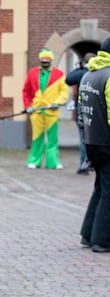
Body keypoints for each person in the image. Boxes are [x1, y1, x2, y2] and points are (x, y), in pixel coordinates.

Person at [79, 37, 110, 253]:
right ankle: (102, 239)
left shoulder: (88, 75)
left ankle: (88, 233)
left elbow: (82, 111)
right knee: (109, 191)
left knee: (100, 187)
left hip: (92, 141)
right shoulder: (109, 76)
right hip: (108, 142)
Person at [22, 49, 69, 169]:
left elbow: (64, 91)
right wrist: (28, 106)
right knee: (37, 137)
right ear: (40, 59)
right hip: (36, 111)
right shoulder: (32, 73)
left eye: (47, 59)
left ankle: (53, 162)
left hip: (52, 112)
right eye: (43, 59)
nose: (45, 61)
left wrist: (58, 102)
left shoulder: (59, 74)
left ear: (51, 60)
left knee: (52, 138)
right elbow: (26, 91)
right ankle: (34, 161)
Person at [65, 52, 96, 175]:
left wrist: (79, 68)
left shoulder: (83, 73)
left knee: (84, 138)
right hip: (98, 111)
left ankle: (85, 164)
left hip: (83, 110)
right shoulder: (101, 73)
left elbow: (68, 78)